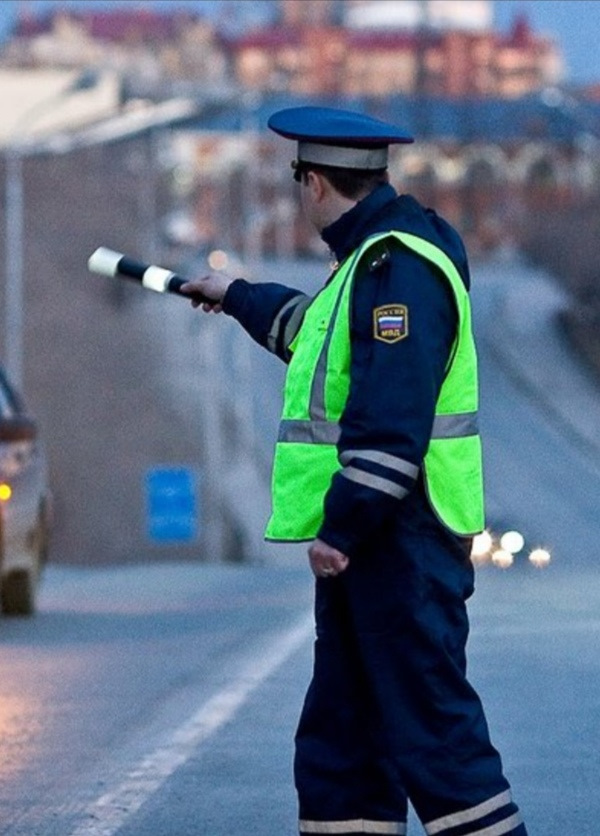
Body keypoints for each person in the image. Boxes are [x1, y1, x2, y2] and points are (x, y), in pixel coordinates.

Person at [180, 106, 526, 836]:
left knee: (436, 740)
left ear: (312, 182)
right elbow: (317, 339)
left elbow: (390, 415)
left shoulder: (398, 267)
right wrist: (235, 294)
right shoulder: (371, 262)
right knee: (345, 745)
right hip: (380, 547)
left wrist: (341, 528)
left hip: (399, 540)